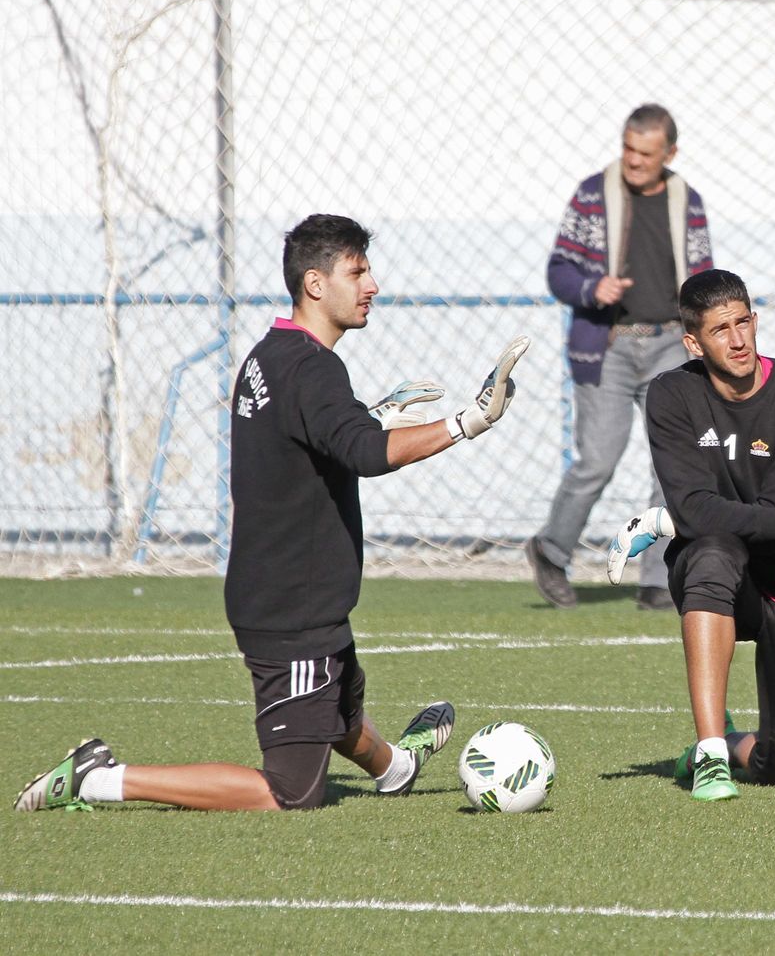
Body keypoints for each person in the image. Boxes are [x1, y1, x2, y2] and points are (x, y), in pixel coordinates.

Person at [14, 213, 528, 812]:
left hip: (291, 594)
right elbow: (364, 454)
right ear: (315, 283)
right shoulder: (312, 368)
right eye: (358, 272)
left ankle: (396, 767)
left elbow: (309, 445)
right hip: (291, 610)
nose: (373, 285)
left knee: (338, 710)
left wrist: (370, 416)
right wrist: (469, 421)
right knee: (291, 792)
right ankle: (99, 777)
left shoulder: (270, 355)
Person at [605, 269, 775, 801]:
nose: (738, 339)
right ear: (693, 342)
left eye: (744, 322)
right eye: (721, 329)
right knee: (709, 553)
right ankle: (709, 755)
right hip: (719, 571)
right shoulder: (672, 395)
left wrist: (664, 520)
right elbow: (700, 511)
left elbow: (772, 513)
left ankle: (728, 743)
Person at [527, 104, 714, 611]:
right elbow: (559, 270)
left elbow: (702, 277)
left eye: (645, 153)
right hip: (606, 347)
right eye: (628, 148)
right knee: (598, 460)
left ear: (669, 154)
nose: (632, 161)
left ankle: (657, 580)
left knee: (672, 465)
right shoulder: (592, 194)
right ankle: (550, 551)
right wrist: (593, 287)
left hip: (671, 344)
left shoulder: (686, 201)